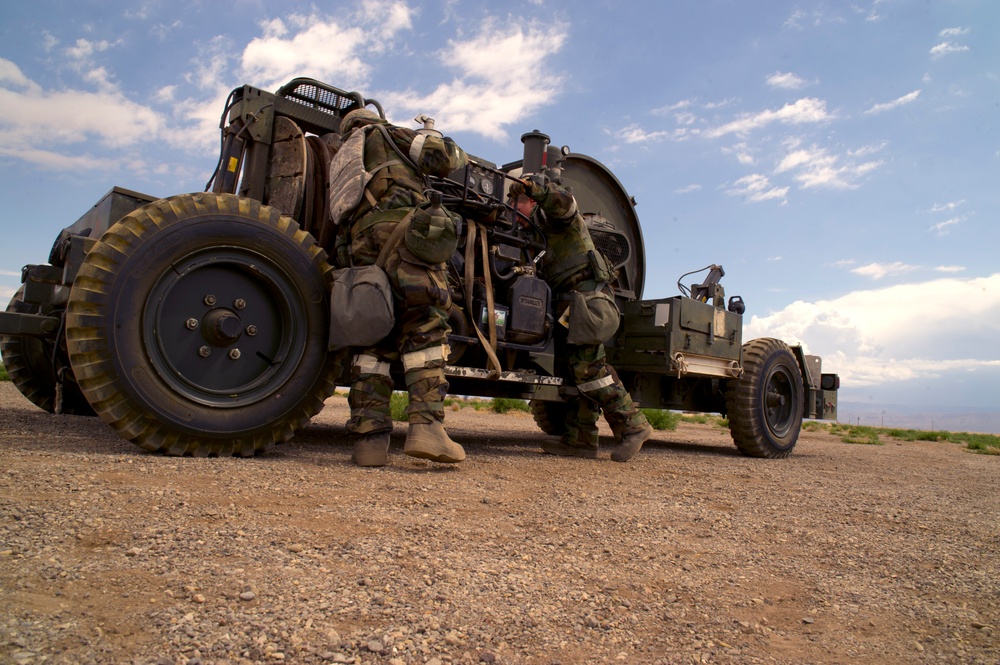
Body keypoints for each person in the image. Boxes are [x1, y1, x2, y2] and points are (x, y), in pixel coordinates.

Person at [337, 108, 469, 467]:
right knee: (425, 328)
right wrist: (442, 141)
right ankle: (426, 429)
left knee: (372, 341)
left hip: (362, 252)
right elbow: (444, 159)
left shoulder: (342, 163)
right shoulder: (383, 135)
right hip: (404, 241)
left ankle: (370, 441)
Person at [509, 176, 653, 462]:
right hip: (568, 304)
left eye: (516, 207)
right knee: (573, 371)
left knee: (590, 371)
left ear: (531, 202)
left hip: (587, 298)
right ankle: (582, 439)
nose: (513, 215)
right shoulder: (538, 234)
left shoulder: (557, 216)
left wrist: (533, 185)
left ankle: (634, 425)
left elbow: (564, 203)